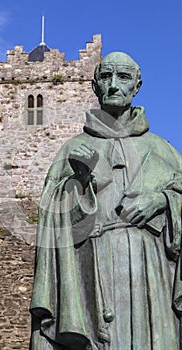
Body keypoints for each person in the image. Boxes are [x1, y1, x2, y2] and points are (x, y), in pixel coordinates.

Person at [30, 52, 182, 349]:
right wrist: (79, 184)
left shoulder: (161, 148)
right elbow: (50, 215)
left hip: (150, 269)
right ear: (95, 85)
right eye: (105, 77)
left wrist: (162, 200)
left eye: (123, 77)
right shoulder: (74, 147)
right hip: (93, 262)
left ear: (137, 86)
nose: (114, 85)